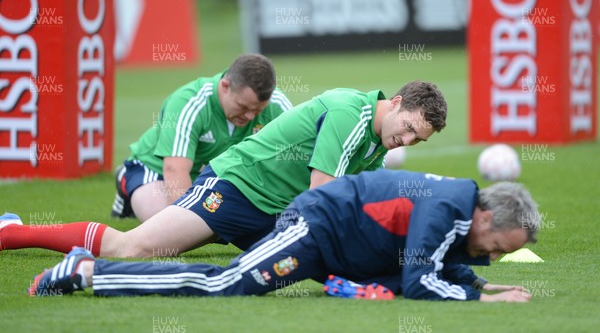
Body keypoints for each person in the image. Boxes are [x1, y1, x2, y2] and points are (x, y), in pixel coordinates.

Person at [0, 81, 447, 258]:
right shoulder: (352, 114)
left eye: (416, 140)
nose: (405, 141)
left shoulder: (376, 139)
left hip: (274, 210)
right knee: (130, 250)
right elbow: (322, 199)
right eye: (407, 128)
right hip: (234, 187)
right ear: (396, 104)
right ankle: (13, 233)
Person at [27, 169, 540, 302]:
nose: (492, 255)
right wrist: (478, 303)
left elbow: (439, 263)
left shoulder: (457, 216)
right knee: (224, 284)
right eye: (498, 246)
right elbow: (419, 279)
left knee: (229, 284)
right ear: (487, 218)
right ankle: (89, 271)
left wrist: (475, 286)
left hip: (328, 250)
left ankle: (90, 270)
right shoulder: (450, 204)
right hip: (313, 229)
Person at [111, 53, 292, 222]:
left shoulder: (278, 106)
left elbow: (297, 164)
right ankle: (125, 181)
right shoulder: (189, 102)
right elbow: (175, 170)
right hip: (156, 169)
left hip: (212, 177)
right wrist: (193, 222)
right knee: (170, 227)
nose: (250, 117)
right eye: (243, 107)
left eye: (257, 111)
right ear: (225, 86)